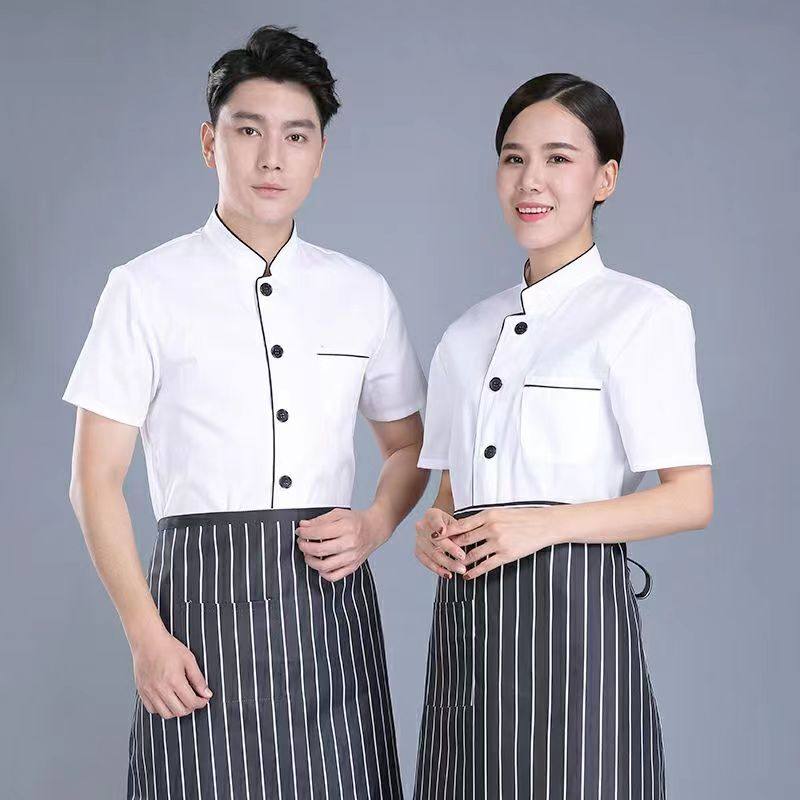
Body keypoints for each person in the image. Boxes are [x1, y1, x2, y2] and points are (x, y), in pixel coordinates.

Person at [62, 25, 427, 799]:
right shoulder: (144, 288)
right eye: (248, 131)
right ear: (210, 142)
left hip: (330, 613)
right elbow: (95, 480)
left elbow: (408, 446)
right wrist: (145, 637)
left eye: (296, 136)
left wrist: (373, 525)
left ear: (320, 154)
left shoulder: (362, 292)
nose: (272, 158)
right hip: (197, 614)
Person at [412, 73, 713, 799]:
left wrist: (543, 526)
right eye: (514, 158)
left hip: (576, 621)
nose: (531, 180)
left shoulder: (642, 315)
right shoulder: (464, 333)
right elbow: (451, 490)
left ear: (604, 178)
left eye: (558, 158)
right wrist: (432, 527)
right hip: (468, 619)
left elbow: (690, 498)